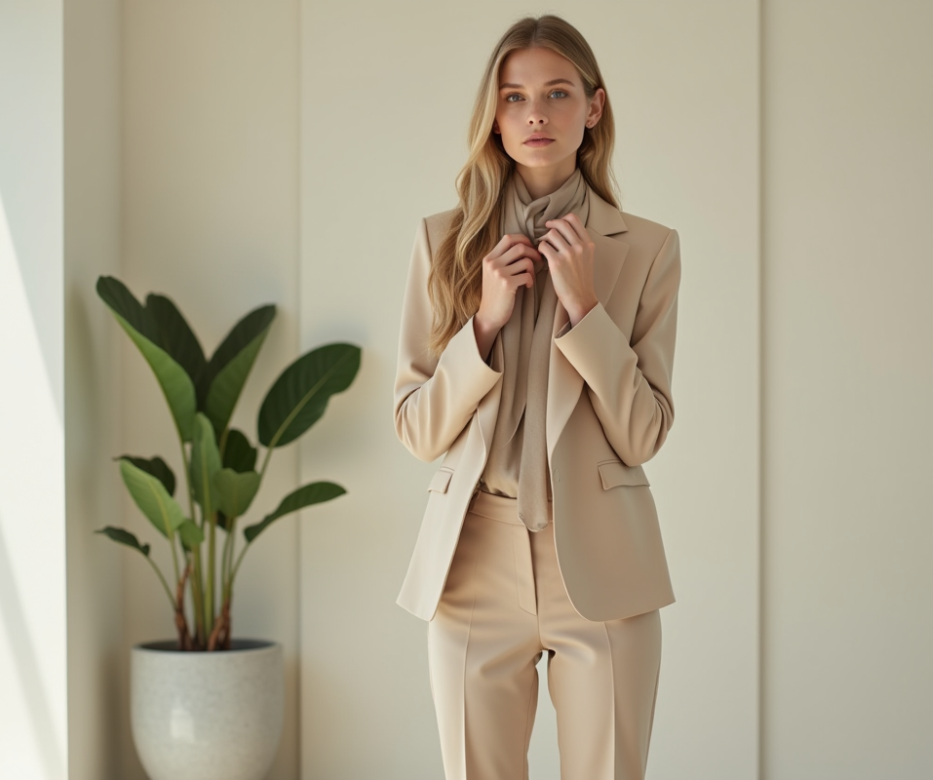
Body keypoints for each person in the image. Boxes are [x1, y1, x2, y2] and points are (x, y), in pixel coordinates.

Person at [392, 13, 680, 780]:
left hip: (604, 568)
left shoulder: (648, 249)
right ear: (495, 113)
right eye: (514, 97)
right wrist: (482, 323)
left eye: (556, 93)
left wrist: (587, 312)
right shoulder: (443, 241)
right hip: (473, 561)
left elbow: (644, 433)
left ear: (594, 107)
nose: (535, 115)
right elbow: (418, 430)